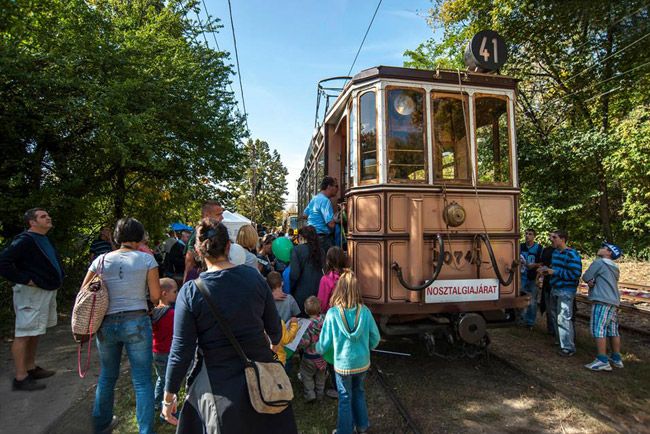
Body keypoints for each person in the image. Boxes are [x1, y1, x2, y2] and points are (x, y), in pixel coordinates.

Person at [162, 219, 297, 433]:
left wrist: (169, 396)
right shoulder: (254, 278)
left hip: (218, 389)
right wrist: (271, 346)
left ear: (198, 251)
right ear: (228, 247)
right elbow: (276, 333)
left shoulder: (189, 292)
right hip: (263, 384)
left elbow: (181, 352)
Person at [80, 217, 161, 433]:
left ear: (117, 236)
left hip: (106, 323)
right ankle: (145, 430)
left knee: (107, 375)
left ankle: (101, 423)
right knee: (142, 379)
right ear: (139, 236)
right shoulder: (147, 260)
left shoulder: (101, 260)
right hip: (136, 321)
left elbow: (84, 292)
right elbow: (155, 296)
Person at [0, 208, 64, 391]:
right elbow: (3, 263)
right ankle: (20, 377)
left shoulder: (42, 239)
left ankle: (30, 368)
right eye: (43, 216)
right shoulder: (24, 241)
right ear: (32, 222)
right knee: (24, 333)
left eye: (48, 215)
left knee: (35, 330)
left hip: (45, 291)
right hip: (30, 294)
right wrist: (26, 279)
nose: (48, 217)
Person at [316, 270, 380, 434]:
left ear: (339, 289)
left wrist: (319, 350)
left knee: (345, 397)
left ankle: (345, 430)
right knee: (359, 392)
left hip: (343, 365)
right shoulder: (365, 311)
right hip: (362, 362)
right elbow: (375, 337)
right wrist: (367, 347)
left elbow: (323, 344)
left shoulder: (332, 314)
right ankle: (362, 425)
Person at [539, 229, 582, 357]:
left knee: (564, 318)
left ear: (562, 239)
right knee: (554, 317)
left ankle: (568, 348)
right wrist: (546, 270)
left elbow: (575, 274)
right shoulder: (556, 253)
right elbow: (554, 268)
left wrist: (554, 272)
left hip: (566, 291)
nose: (551, 239)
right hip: (554, 288)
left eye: (554, 237)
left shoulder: (572, 254)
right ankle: (560, 341)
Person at [582, 243, 623, 371]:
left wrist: (590, 281)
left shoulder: (599, 262)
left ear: (609, 252)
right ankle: (616, 358)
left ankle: (602, 359)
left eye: (604, 247)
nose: (600, 248)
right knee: (613, 330)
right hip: (614, 301)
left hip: (602, 300)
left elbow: (586, 276)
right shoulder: (615, 267)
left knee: (598, 328)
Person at [152, 278, 178, 416]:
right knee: (170, 381)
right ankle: (168, 408)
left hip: (157, 352)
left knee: (161, 378)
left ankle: (156, 403)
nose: (177, 294)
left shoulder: (154, 312)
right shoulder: (172, 314)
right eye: (175, 291)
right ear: (164, 293)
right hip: (168, 351)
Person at [183, 200, 224, 282]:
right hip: (200, 280)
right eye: (218, 214)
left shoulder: (216, 231)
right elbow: (189, 262)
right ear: (207, 215)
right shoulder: (199, 233)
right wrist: (185, 286)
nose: (222, 218)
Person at [290, 226, 325, 316]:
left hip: (301, 294)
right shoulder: (321, 251)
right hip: (318, 292)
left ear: (302, 237)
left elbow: (294, 275)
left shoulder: (297, 250)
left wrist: (291, 289)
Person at [298, 296, 326, 402]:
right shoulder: (325, 320)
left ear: (305, 310)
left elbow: (305, 342)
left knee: (306, 375)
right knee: (321, 375)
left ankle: (310, 394)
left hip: (309, 357)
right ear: (319, 309)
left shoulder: (306, 325)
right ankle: (320, 394)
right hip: (323, 355)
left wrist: (299, 346)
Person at [303, 176, 339, 254]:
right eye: (336, 186)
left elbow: (305, 215)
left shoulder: (315, 198)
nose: (337, 189)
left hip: (312, 237)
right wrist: (336, 220)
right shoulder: (325, 201)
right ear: (329, 186)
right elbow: (331, 224)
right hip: (322, 239)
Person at [520, 229, 543, 327]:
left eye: (530, 234)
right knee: (521, 299)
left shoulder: (539, 248)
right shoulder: (520, 246)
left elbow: (542, 262)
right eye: (526, 234)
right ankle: (520, 320)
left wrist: (534, 265)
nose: (527, 236)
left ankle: (530, 322)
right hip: (522, 276)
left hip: (533, 277)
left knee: (532, 300)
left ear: (534, 236)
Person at [318, 246, 346, 313]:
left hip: (331, 316)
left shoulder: (325, 279)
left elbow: (322, 304)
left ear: (328, 260)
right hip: (347, 314)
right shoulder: (348, 276)